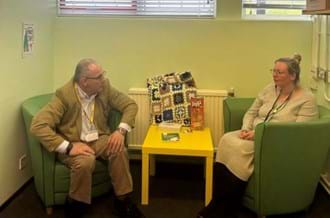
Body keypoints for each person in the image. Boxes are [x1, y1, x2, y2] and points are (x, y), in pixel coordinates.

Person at [197, 54, 319, 218]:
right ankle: (217, 202)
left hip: (276, 142)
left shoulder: (306, 99)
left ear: (293, 75)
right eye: (273, 71)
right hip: (252, 133)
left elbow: (299, 131)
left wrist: (259, 134)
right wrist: (245, 129)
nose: (274, 75)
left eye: (280, 72)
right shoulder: (269, 89)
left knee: (239, 149)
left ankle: (227, 208)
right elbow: (251, 112)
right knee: (226, 139)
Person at [30, 58, 145, 218]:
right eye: (99, 77)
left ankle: (122, 200)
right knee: (85, 161)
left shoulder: (105, 88)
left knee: (119, 150)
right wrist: (69, 147)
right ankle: (76, 204)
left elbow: (130, 105)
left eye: (102, 75)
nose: (103, 80)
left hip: (98, 138)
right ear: (84, 81)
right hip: (73, 141)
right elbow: (38, 125)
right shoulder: (63, 96)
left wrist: (120, 131)